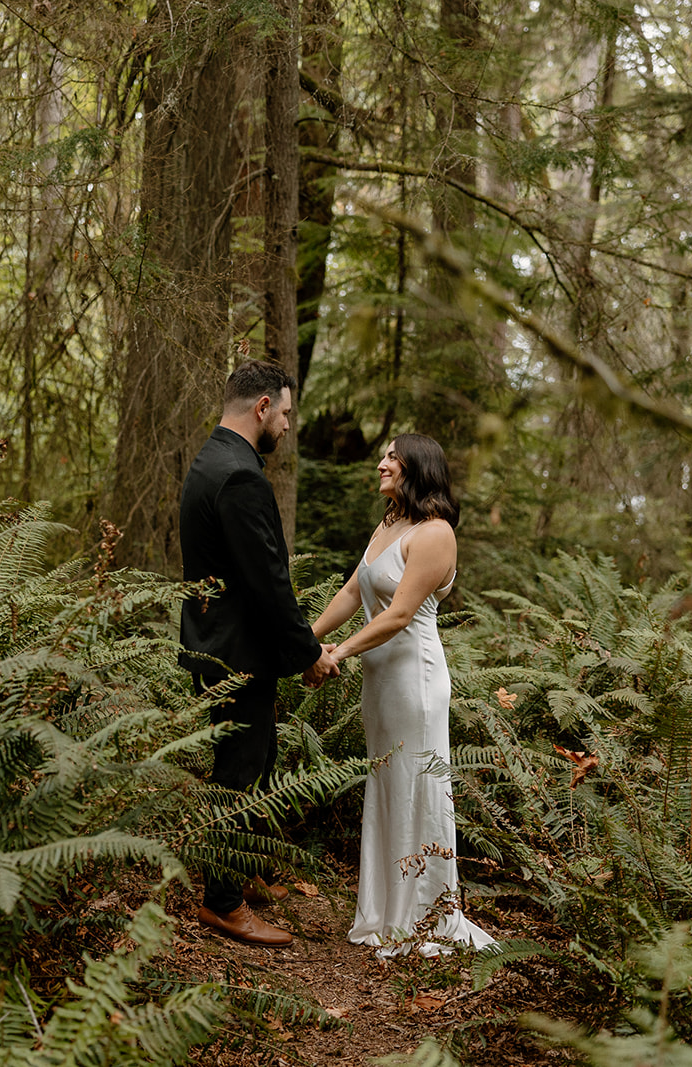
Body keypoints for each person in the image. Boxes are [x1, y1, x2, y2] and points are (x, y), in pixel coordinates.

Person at [310, 433, 497, 958]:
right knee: (389, 784)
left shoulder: (435, 534)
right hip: (381, 681)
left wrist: (337, 654)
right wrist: (307, 643)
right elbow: (353, 591)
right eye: (384, 455)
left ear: (418, 466)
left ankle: (424, 917)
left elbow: (397, 615)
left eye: (392, 456)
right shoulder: (390, 524)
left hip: (415, 679)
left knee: (418, 787)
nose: (380, 463)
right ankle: (386, 913)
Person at [179, 359, 341, 947]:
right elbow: (268, 580)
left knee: (258, 759)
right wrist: (309, 653)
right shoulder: (241, 477)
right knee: (240, 774)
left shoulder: (210, 459)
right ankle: (222, 903)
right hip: (238, 651)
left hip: (215, 645)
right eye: (288, 414)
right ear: (263, 408)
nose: (290, 427)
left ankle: (241, 871)